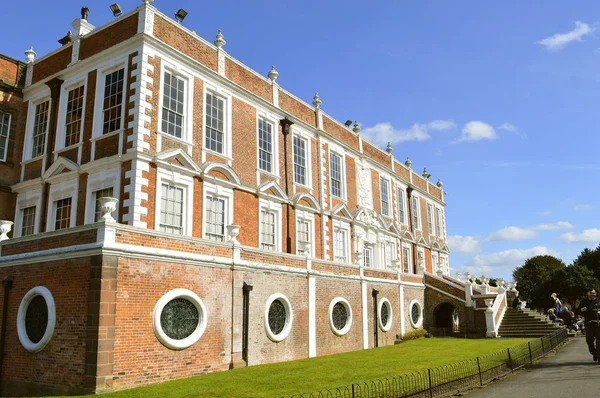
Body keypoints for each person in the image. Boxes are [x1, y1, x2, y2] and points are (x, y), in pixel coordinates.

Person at [578, 289, 600, 362]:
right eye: (591, 293)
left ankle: (599, 356)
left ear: (596, 294)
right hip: (589, 324)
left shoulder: (599, 301)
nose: (592, 294)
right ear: (588, 294)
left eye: (593, 293)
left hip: (598, 324)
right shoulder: (584, 302)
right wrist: (581, 310)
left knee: (599, 342)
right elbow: (577, 311)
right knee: (589, 341)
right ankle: (594, 353)